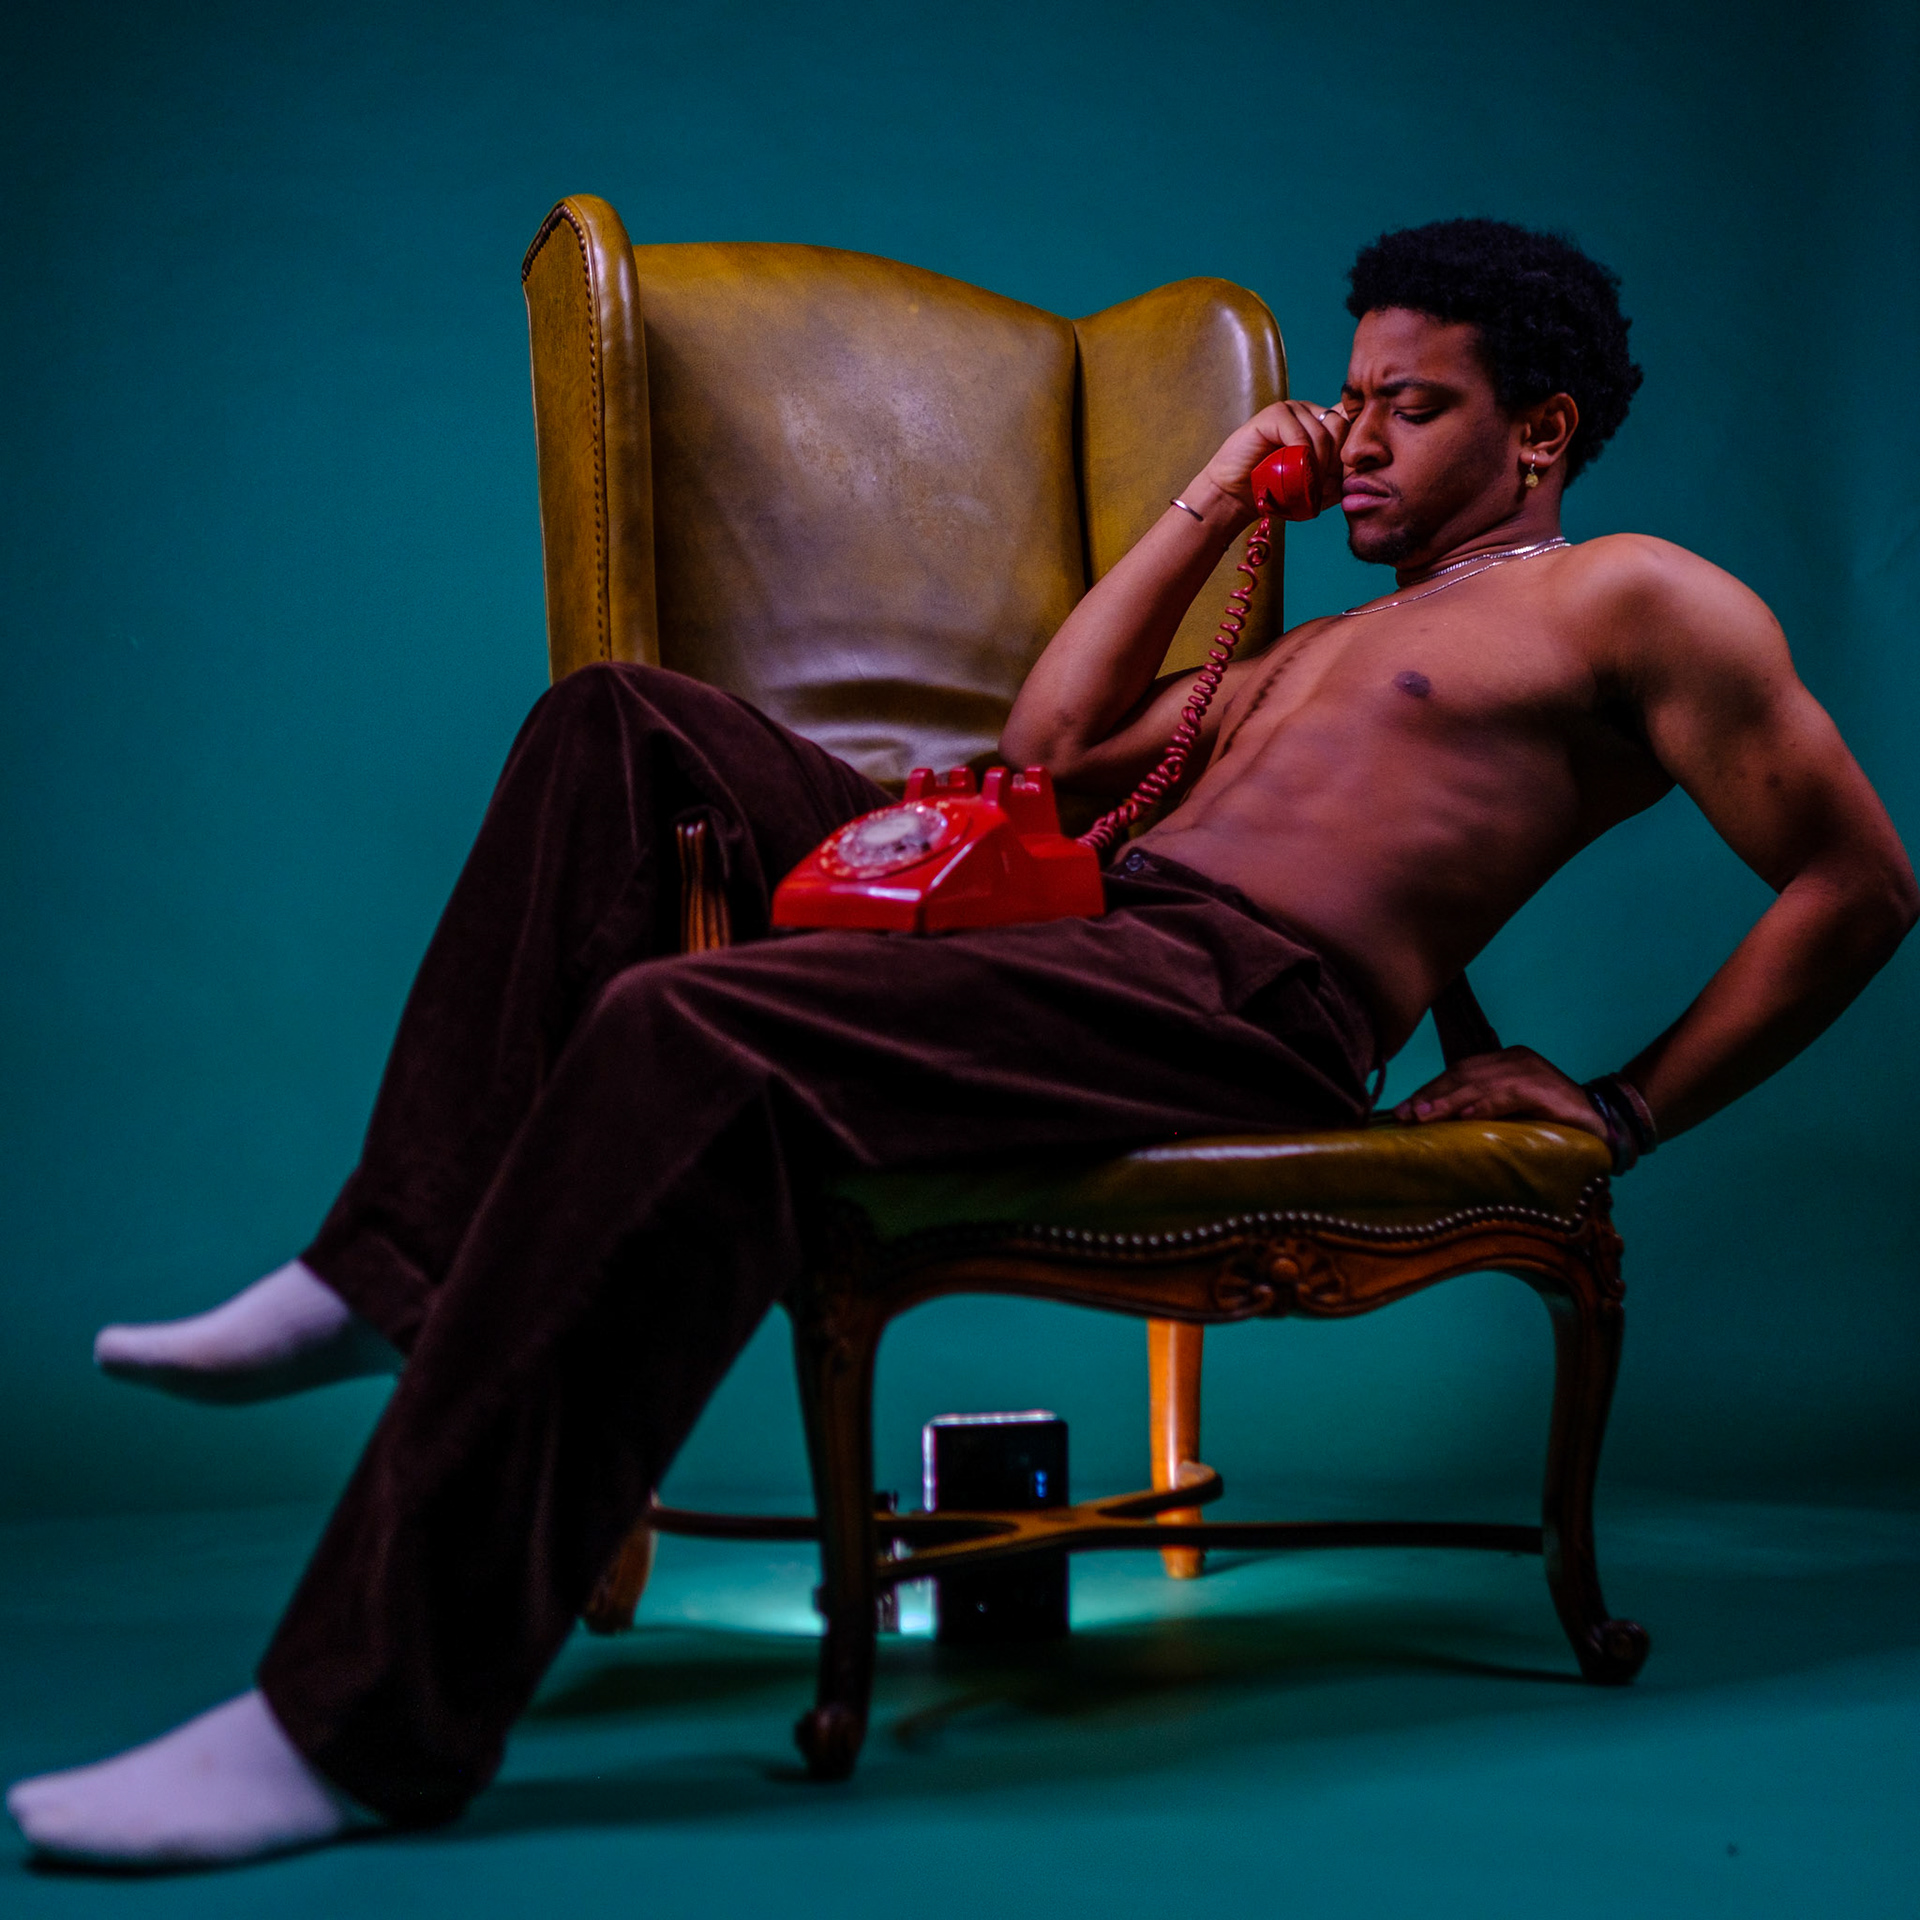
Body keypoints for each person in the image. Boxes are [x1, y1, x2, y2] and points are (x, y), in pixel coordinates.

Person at [10, 218, 1913, 1869]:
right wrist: (1214, 494)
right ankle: (393, 1266)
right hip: (1073, 917)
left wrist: (1620, 1107)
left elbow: (1860, 882)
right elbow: (1047, 749)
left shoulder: (1633, 597)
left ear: (1542, 431)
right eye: (1349, 400)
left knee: (689, 1031)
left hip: (1233, 1001)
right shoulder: (1301, 644)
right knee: (620, 723)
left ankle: (352, 1728)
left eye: (1409, 406)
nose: (1355, 441)